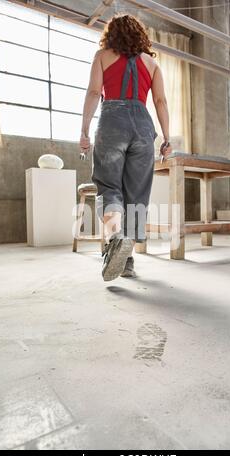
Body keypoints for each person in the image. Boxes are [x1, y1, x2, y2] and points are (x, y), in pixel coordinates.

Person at [80, 14, 171, 281]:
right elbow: (161, 101)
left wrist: (84, 131)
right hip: (143, 126)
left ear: (112, 34)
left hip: (112, 121)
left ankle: (116, 236)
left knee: (109, 188)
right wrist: (166, 138)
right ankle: (127, 260)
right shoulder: (152, 63)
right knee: (137, 193)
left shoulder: (102, 56)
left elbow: (94, 93)